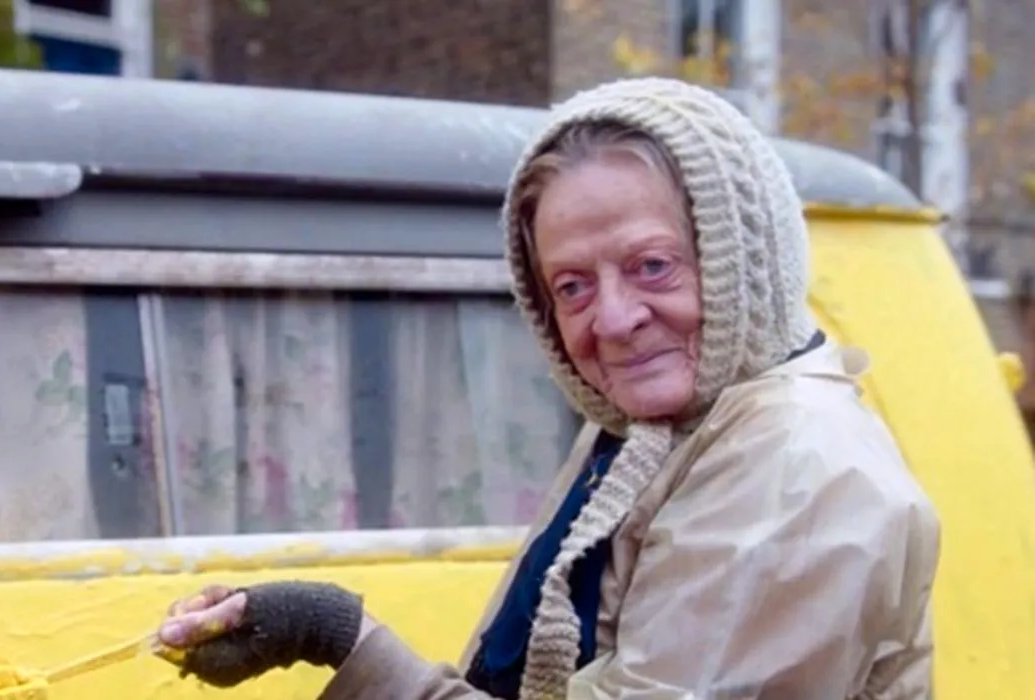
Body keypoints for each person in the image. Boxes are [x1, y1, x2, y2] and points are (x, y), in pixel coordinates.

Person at [154, 77, 942, 699]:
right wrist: (308, 629)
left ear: (747, 257)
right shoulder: (655, 431)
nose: (615, 319)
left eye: (652, 265)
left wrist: (336, 635)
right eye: (571, 286)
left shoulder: (796, 468)